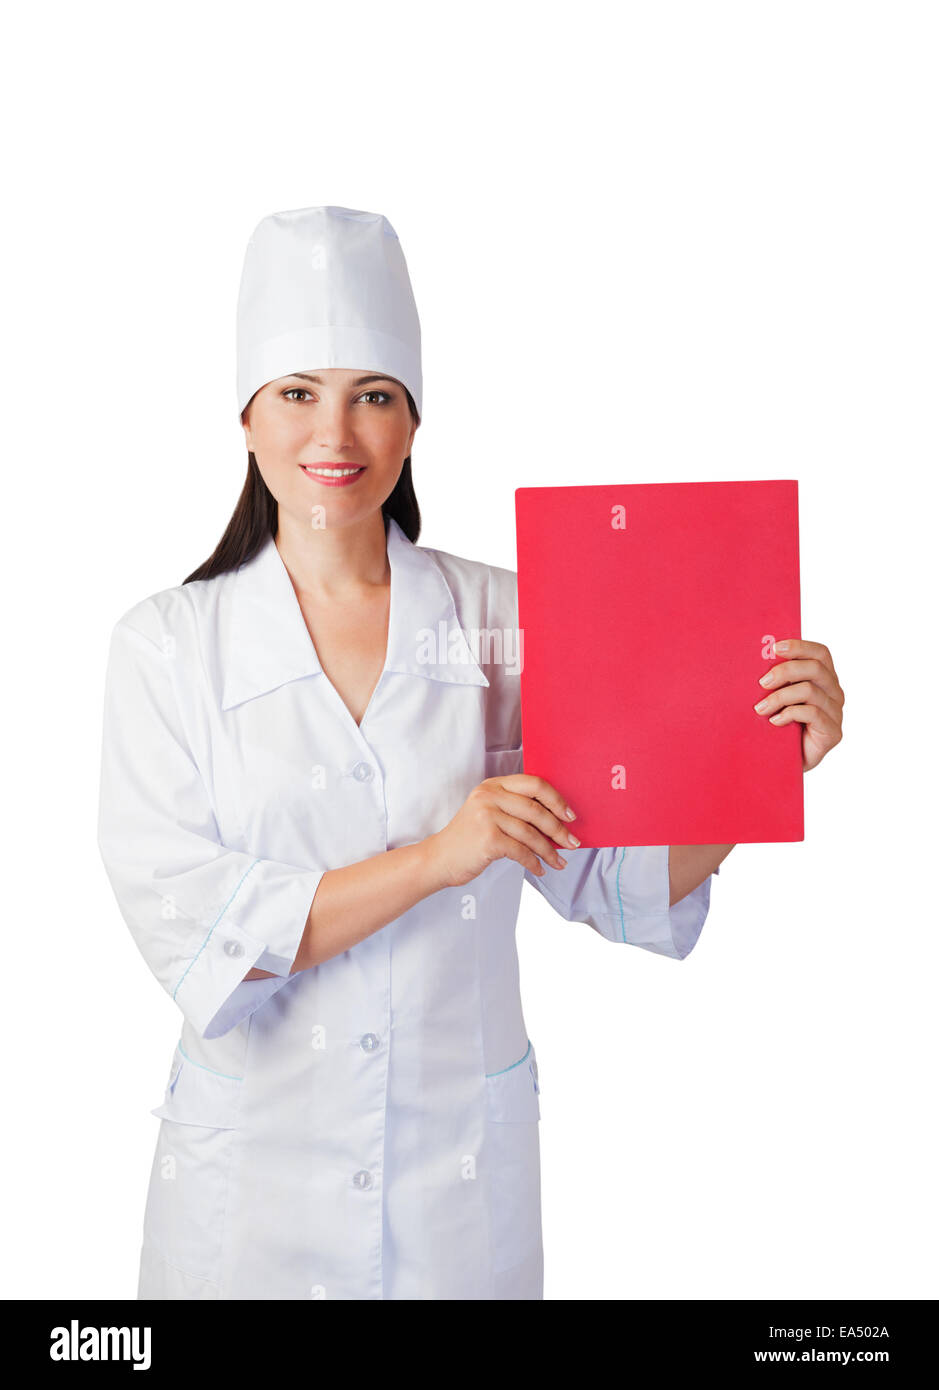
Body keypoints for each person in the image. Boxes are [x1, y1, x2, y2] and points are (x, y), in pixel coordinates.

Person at [96, 205, 845, 1301]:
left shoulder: (511, 619)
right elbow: (204, 940)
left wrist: (762, 756)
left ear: (411, 423)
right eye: (299, 391)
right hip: (246, 1207)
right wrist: (438, 856)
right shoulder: (166, 646)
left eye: (374, 396)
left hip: (452, 1199)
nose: (334, 434)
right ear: (247, 416)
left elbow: (616, 881)